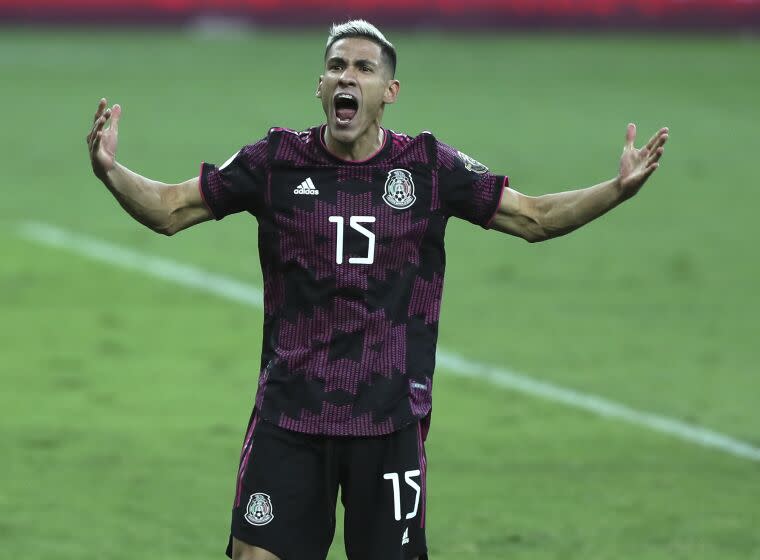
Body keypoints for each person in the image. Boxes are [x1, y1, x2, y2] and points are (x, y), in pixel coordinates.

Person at [85, 19, 668, 560]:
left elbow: (534, 217)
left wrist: (615, 190)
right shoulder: (276, 162)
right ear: (320, 86)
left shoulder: (428, 168)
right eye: (337, 65)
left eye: (364, 68)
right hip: (292, 415)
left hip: (387, 419)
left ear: (390, 92)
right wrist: (112, 170)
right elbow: (169, 209)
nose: (348, 76)